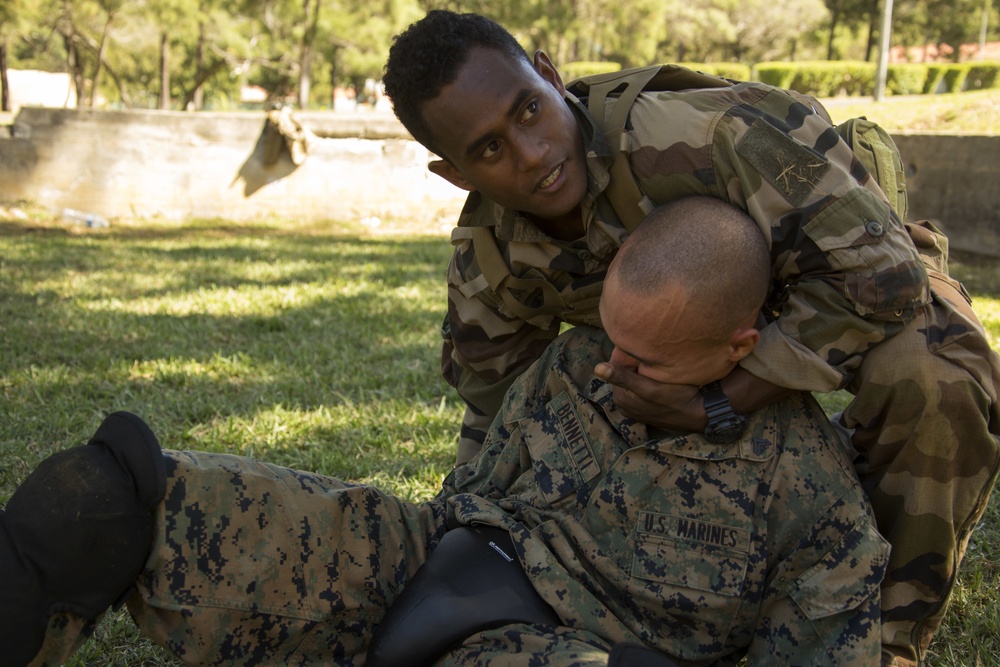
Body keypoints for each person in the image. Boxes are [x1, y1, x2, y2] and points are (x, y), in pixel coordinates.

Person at [2, 198, 888, 666]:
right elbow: (469, 497)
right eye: (610, 340)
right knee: (102, 501)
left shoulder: (810, 498)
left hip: (576, 651)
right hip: (444, 564)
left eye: (648, 362)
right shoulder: (579, 363)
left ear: (739, 346)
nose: (612, 370)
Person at [380, 10, 1000, 666]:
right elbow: (497, 412)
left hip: (848, 265)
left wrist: (723, 400)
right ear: (455, 174)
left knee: (939, 381)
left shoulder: (711, 135)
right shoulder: (490, 256)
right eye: (488, 149)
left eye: (530, 110)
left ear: (550, 75)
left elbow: (884, 276)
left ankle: (888, 636)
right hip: (683, 323)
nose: (531, 154)